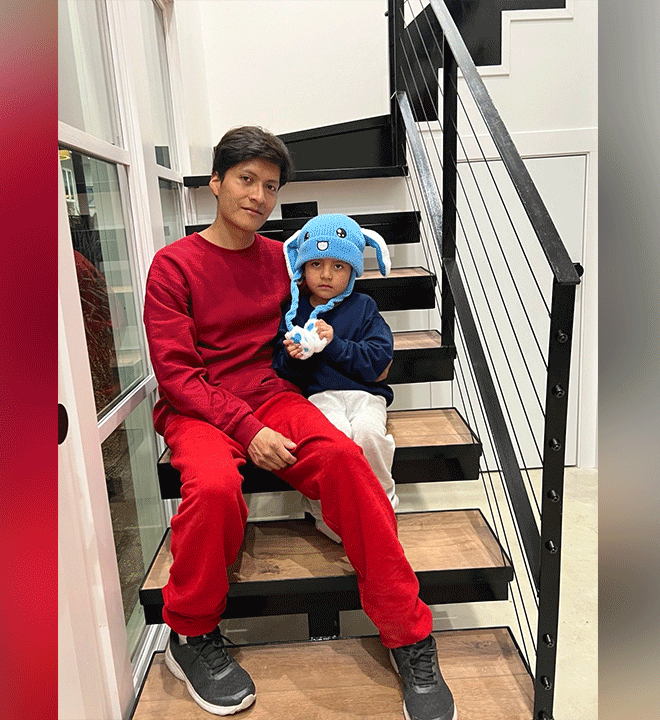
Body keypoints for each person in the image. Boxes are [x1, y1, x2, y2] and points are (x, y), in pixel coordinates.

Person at [143, 126, 456, 720]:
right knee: (213, 488)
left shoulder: (281, 261)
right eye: (245, 180)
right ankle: (188, 634)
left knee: (346, 459)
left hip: (272, 393)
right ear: (215, 182)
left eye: (270, 186)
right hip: (199, 407)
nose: (259, 196)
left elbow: (320, 319)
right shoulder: (173, 266)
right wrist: (245, 429)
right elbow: (178, 375)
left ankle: (409, 634)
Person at [272, 213, 399, 544]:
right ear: (302, 268)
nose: (326, 274)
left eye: (338, 266)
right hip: (319, 397)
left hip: (365, 396)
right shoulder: (293, 313)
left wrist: (333, 343)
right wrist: (293, 356)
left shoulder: (364, 307)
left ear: (353, 270)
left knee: (369, 435)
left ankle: (381, 502)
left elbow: (377, 360)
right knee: (333, 442)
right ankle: (324, 511)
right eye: (316, 264)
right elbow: (283, 371)